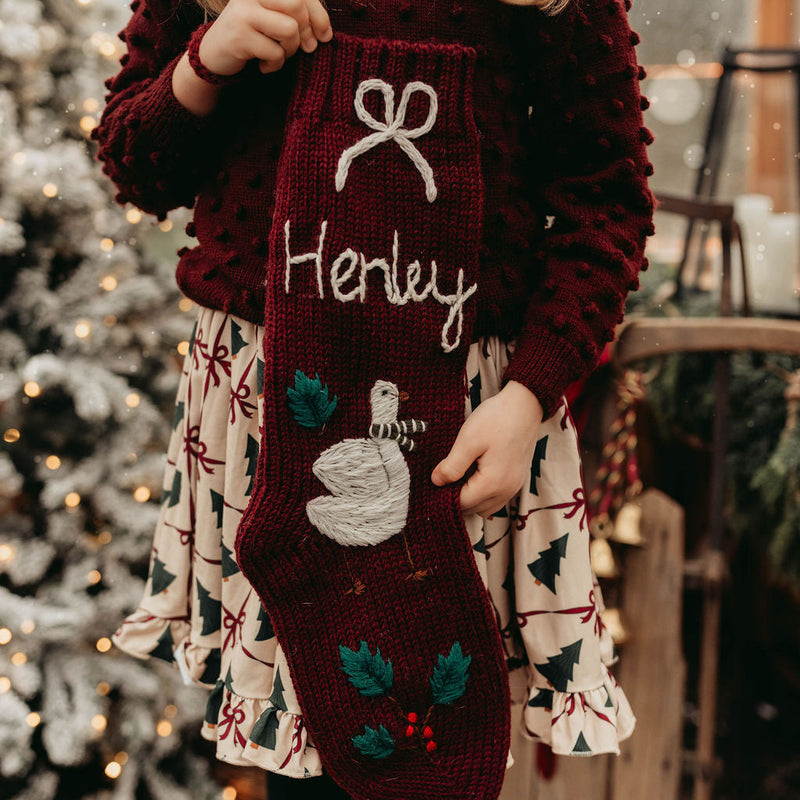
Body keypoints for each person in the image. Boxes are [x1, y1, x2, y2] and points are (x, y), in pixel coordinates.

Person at [95, 0, 654, 797]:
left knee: (428, 743)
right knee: (309, 762)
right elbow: (136, 166)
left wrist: (531, 392)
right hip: (268, 416)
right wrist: (206, 61)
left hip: (464, 417)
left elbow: (607, 200)